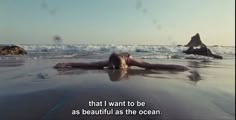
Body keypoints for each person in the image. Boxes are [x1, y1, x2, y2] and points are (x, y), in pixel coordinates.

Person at [54, 52, 189, 71]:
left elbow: (151, 65)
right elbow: (88, 65)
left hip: (125, 55)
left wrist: (176, 67)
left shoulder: (130, 61)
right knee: (94, 66)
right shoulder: (107, 63)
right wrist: (66, 63)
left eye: (121, 67)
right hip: (115, 57)